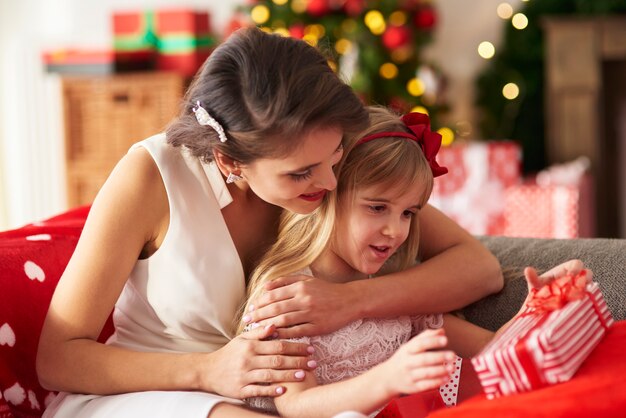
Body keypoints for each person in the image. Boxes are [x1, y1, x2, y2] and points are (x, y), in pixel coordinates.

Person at [36, 27, 500, 418]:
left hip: (277, 400)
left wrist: (351, 301)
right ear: (230, 160)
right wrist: (205, 370)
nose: (330, 180)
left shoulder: (323, 153)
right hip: (146, 396)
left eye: (336, 153)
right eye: (300, 173)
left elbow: (480, 270)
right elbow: (57, 358)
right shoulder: (150, 178)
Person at [238, 107, 590, 418]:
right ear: (327, 192)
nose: (395, 230)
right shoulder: (285, 296)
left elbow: (491, 352)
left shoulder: (396, 292)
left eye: (408, 213)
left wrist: (538, 310)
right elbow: (296, 406)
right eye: (377, 208)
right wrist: (388, 380)